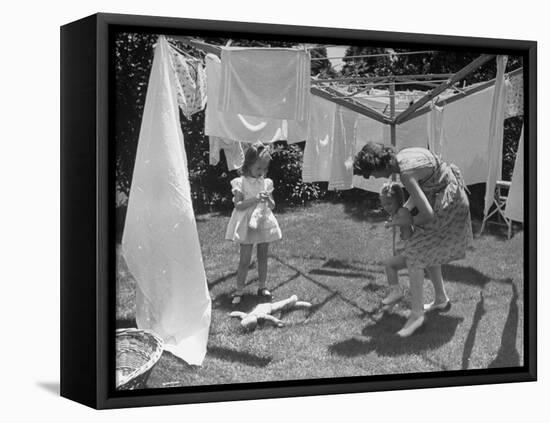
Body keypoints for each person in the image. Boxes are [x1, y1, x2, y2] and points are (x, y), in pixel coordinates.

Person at [354, 142, 473, 337]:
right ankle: (441, 299)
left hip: (448, 205)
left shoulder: (406, 174)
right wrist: (406, 211)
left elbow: (427, 215)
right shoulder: (404, 155)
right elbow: (426, 189)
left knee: (416, 252)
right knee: (426, 249)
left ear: (379, 166)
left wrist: (405, 221)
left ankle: (417, 314)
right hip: (451, 198)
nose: (374, 177)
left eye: (372, 173)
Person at [225, 142, 282, 305]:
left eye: (265, 169)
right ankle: (239, 289)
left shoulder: (266, 182)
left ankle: (262, 286)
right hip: (246, 223)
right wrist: (255, 199)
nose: (262, 172)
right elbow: (238, 205)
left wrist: (267, 198)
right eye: (259, 168)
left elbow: (272, 206)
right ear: (248, 165)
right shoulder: (240, 183)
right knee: (245, 259)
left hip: (263, 220)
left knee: (263, 256)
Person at [379, 182, 413, 307]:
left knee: (389, 264)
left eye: (389, 203)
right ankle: (398, 292)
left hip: (410, 251)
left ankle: (396, 292)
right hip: (404, 251)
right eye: (384, 204)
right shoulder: (395, 215)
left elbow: (408, 221)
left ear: (398, 200)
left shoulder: (402, 211)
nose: (386, 207)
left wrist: (393, 223)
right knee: (391, 265)